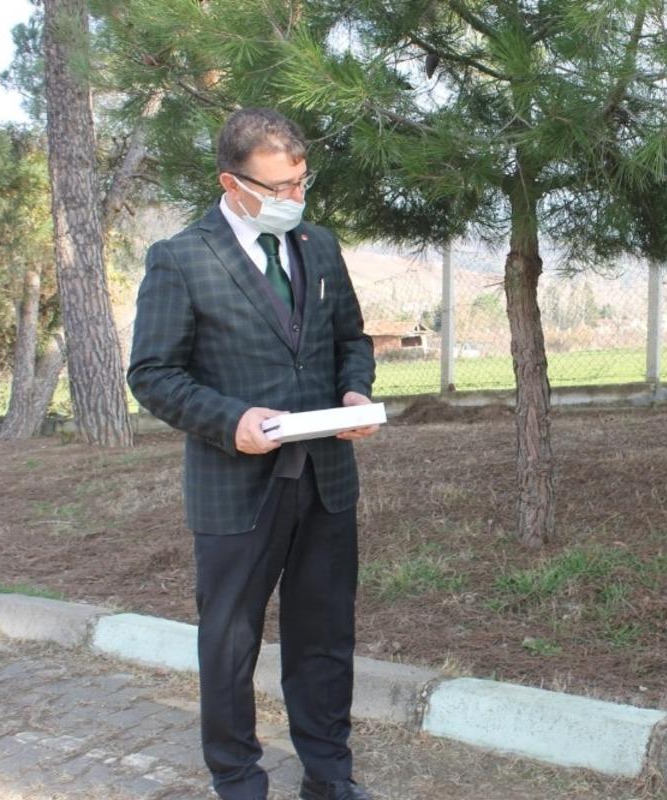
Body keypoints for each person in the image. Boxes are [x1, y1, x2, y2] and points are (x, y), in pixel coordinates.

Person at [128, 107, 378, 800]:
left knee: (325, 635)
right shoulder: (181, 258)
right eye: (277, 188)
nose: (293, 199)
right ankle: (238, 779)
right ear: (231, 183)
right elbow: (152, 374)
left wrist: (355, 391)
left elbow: (351, 339)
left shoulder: (319, 246)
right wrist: (230, 419)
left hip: (326, 477)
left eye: (301, 183)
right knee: (230, 642)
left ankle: (328, 775)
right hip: (236, 487)